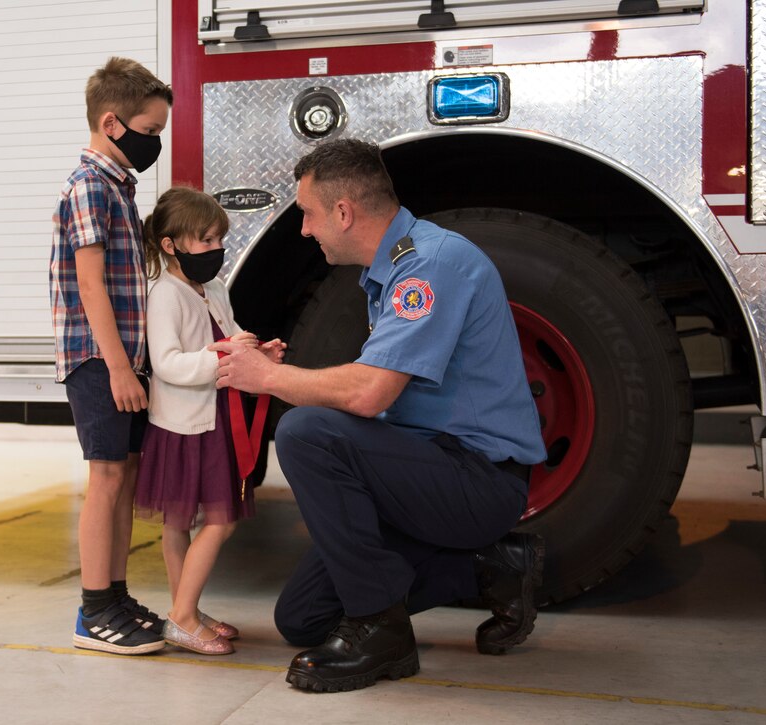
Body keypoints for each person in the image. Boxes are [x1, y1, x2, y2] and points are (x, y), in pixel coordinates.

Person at [211, 139, 548, 692]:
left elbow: (369, 396)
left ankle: (380, 631)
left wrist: (268, 379)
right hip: (421, 473)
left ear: (344, 213)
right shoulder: (391, 270)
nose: (304, 230)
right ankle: (492, 567)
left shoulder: (429, 266)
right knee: (303, 620)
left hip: (476, 478)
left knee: (305, 431)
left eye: (308, 214)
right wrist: (283, 369)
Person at [50, 57, 172, 655]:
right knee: (105, 476)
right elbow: (91, 287)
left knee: (124, 475)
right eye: (149, 131)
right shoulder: (87, 188)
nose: (154, 142)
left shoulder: (118, 186)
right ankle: (93, 610)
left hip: (124, 357)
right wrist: (121, 367)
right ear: (111, 121)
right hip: (100, 359)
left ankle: (115, 595)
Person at [136, 187, 287, 655]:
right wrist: (220, 364)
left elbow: (225, 335)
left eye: (218, 238)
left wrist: (254, 352)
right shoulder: (164, 295)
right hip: (182, 427)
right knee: (213, 520)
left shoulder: (214, 288)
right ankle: (181, 618)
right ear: (171, 245)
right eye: (204, 240)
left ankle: (188, 609)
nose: (215, 249)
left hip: (214, 417)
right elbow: (167, 364)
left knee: (186, 521)